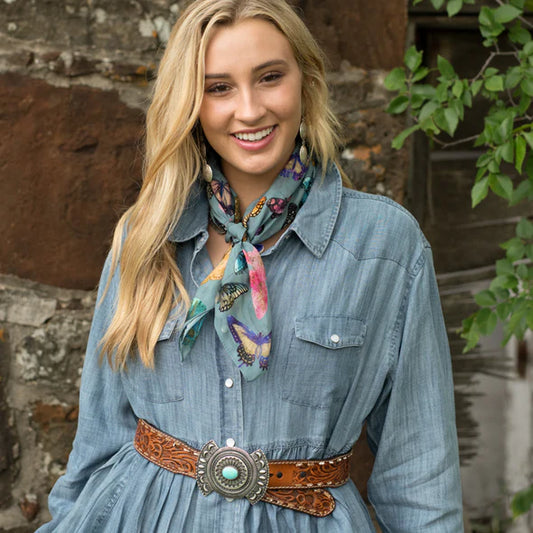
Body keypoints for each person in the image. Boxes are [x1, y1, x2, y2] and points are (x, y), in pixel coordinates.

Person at [37, 0, 463, 531]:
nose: (249, 109)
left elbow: (420, 479)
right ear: (191, 103)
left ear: (306, 83)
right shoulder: (144, 238)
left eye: (269, 77)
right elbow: (96, 451)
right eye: (219, 87)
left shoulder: (384, 246)